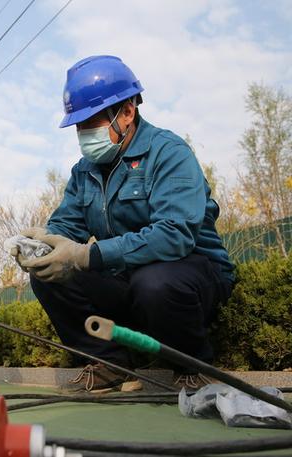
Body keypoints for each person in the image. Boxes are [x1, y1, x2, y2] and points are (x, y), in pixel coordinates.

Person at [14, 55, 235, 391]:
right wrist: (42, 245)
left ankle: (192, 363)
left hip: (190, 273)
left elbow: (175, 235)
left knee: (155, 282)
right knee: (51, 276)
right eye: (79, 126)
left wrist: (87, 255)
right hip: (128, 280)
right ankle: (109, 363)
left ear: (128, 111)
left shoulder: (169, 152)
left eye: (92, 122)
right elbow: (67, 227)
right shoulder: (83, 171)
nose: (85, 134)